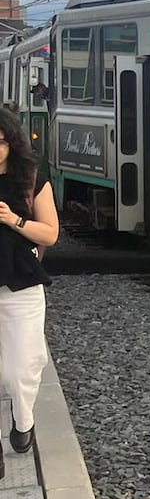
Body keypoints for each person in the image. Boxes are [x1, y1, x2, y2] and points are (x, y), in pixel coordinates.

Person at [0, 107, 60, 477]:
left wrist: (14, 220)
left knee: (20, 369)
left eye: (1, 142)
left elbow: (50, 234)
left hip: (20, 286)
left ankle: (23, 423)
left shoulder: (30, 180)